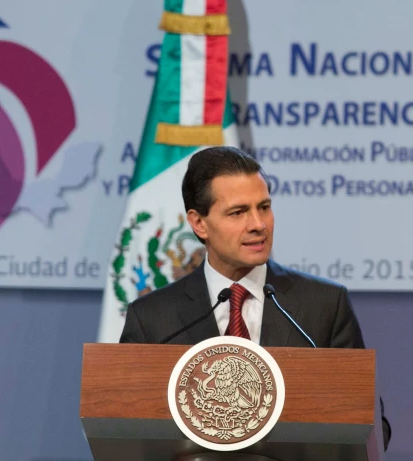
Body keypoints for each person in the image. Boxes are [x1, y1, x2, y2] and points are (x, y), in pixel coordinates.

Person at [119, 146, 391, 449]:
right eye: (238, 212)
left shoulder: (324, 305)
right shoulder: (154, 319)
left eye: (264, 207)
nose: (258, 224)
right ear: (199, 224)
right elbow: (124, 426)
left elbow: (371, 425)